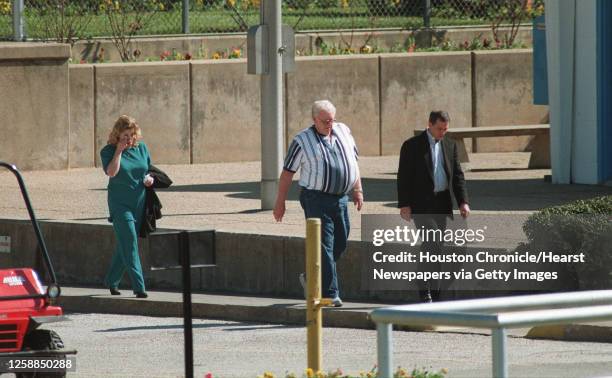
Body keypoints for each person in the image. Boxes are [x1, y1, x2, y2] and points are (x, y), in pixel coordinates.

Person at [273, 100, 363, 307]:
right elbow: (287, 173)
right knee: (325, 245)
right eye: (324, 121)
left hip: (341, 197)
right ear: (314, 120)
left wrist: (358, 190)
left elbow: (353, 163)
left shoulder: (343, 131)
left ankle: (310, 276)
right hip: (315, 198)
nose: (329, 124)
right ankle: (331, 294)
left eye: (331, 120)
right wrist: (280, 202)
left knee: (340, 242)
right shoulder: (302, 140)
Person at [397, 110, 470, 302]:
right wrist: (404, 204)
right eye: (439, 129)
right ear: (429, 124)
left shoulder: (450, 145)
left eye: (445, 129)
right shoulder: (412, 146)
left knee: (436, 247)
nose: (442, 133)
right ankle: (424, 288)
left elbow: (457, 176)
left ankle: (434, 290)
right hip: (421, 205)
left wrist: (463, 201)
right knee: (433, 242)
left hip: (442, 203)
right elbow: (403, 177)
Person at [100, 115, 154, 298]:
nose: (129, 139)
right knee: (130, 241)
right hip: (119, 203)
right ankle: (139, 287)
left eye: (131, 135)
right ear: (117, 135)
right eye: (125, 135)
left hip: (139, 201)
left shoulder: (142, 148)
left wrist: (149, 179)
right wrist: (119, 151)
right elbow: (111, 172)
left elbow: (147, 169)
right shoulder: (108, 151)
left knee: (125, 243)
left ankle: (111, 280)